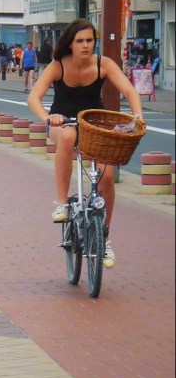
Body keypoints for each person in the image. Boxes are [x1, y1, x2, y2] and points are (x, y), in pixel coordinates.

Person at [28, 19, 143, 269]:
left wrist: (137, 117)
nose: (85, 45)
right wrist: (48, 117)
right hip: (62, 123)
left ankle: (104, 238)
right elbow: (34, 97)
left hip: (94, 126)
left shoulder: (103, 64)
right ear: (70, 43)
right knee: (68, 136)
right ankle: (61, 204)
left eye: (90, 40)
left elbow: (130, 91)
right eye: (80, 41)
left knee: (108, 176)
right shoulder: (58, 66)